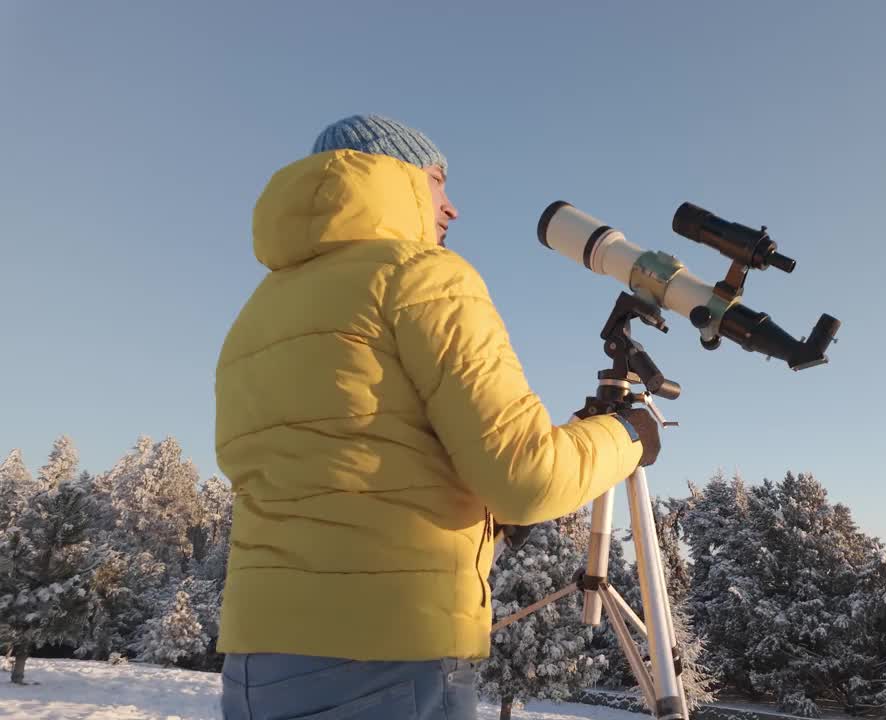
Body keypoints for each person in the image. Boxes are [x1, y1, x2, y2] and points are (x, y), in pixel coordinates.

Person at [214, 113, 661, 720]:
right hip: (392, 655)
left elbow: (345, 469)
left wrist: (485, 521)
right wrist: (628, 434)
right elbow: (529, 479)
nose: (450, 208)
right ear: (389, 177)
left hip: (257, 662)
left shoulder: (259, 309)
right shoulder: (422, 276)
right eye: (437, 182)